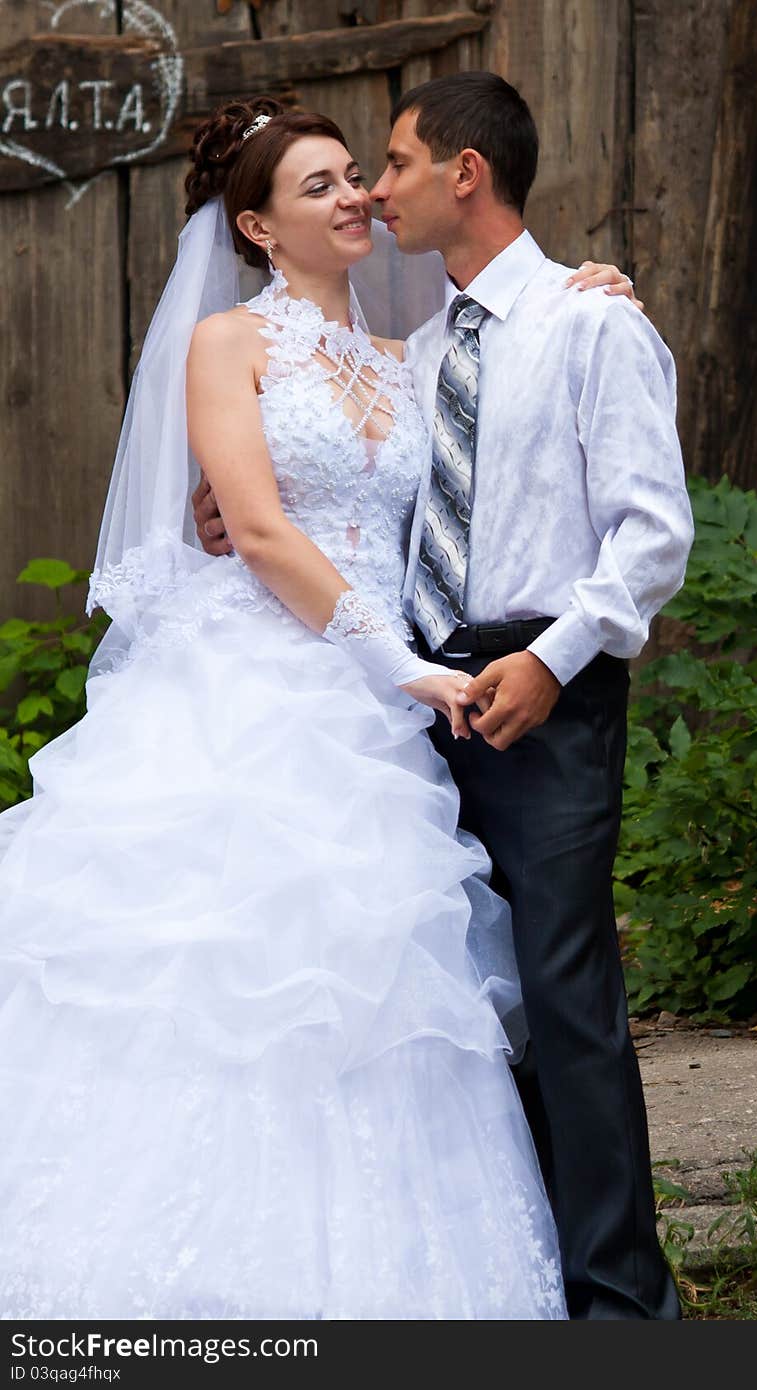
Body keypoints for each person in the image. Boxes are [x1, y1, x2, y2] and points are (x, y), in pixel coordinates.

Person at [0, 97, 633, 1321]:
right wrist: (390, 660)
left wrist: (584, 293)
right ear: (256, 225)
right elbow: (266, 524)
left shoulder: (421, 353)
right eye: (320, 185)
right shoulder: (226, 343)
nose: (355, 196)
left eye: (359, 174)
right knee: (226, 973)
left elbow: (486, 442)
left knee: (383, 990)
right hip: (260, 692)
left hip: (383, 714)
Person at [197, 72, 695, 1321]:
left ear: (462, 172)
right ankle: (504, 1259)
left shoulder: (590, 324)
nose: (372, 187)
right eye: (342, 177)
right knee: (474, 995)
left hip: (543, 677)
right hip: (418, 695)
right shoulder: (413, 356)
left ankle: (624, 1311)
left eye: (395, 163)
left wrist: (553, 659)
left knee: (567, 993)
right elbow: (339, 487)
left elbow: (650, 535)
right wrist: (228, 515)